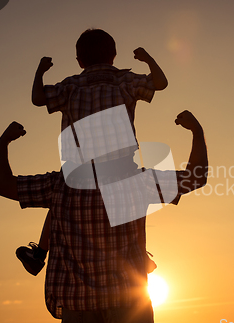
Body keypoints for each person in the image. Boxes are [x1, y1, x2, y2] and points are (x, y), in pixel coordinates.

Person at [0, 110, 208, 323]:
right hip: (129, 305)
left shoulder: (60, 185)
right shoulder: (138, 182)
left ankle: (38, 255)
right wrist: (197, 132)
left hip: (79, 306)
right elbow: (196, 177)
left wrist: (4, 142)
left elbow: (0, 184)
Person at [17, 28, 169, 275]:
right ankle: (140, 254)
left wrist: (40, 71)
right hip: (119, 165)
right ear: (114, 55)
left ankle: (39, 254)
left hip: (80, 170)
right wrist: (148, 59)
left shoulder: (70, 86)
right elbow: (161, 83)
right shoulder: (125, 81)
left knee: (58, 201)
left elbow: (37, 98)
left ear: (79, 61)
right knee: (135, 197)